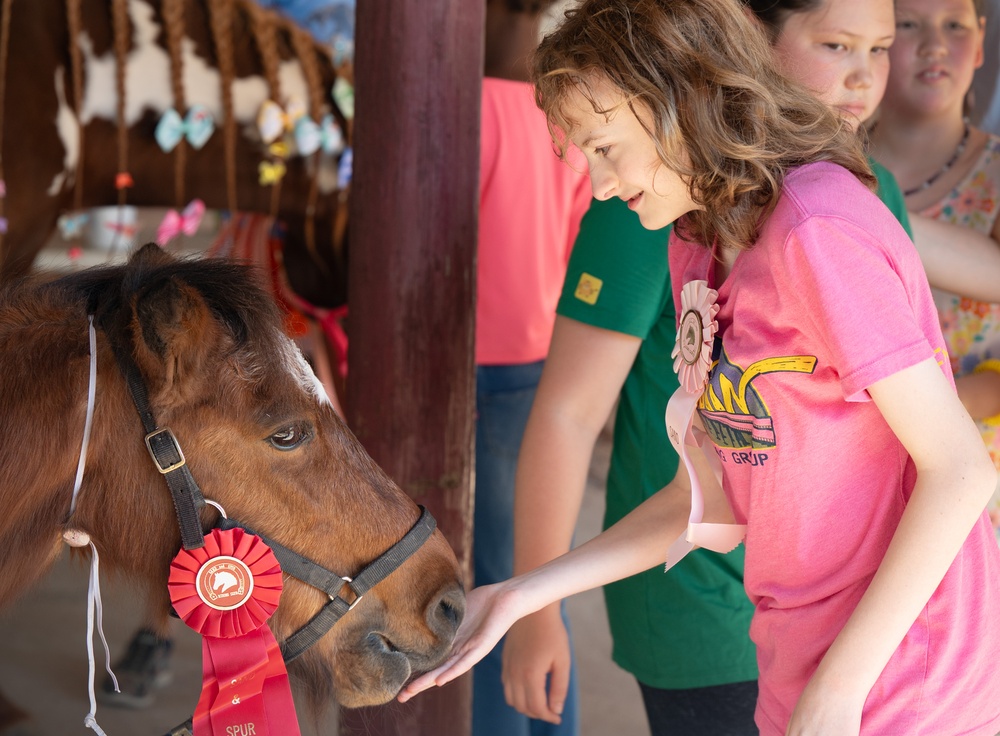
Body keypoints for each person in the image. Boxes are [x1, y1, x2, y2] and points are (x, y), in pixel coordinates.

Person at [400, 1, 1000, 734]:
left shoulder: (815, 228)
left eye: (605, 147)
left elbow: (960, 469)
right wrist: (525, 592)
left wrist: (838, 692)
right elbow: (714, 490)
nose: (597, 182)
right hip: (801, 666)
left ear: (679, 104)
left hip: (908, 682)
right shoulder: (696, 242)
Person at [473, 1, 592, 735]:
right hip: (543, 366)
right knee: (538, 584)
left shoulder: (462, 110)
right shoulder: (570, 123)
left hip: (469, 372)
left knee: (489, 593)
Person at [869, 0, 1000, 534]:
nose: (935, 45)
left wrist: (928, 409)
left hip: (974, 487)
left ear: (982, 40)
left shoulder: (995, 177)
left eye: (954, 26)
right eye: (908, 25)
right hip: (843, 472)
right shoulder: (818, 168)